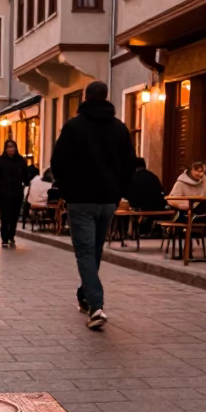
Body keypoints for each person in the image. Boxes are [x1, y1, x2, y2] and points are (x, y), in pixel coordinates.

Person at [51, 80, 136, 330]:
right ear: (107, 97)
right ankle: (85, 295)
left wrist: (67, 190)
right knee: (95, 250)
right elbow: (130, 164)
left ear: (85, 98)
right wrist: (119, 191)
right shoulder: (119, 129)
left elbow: (58, 162)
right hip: (108, 200)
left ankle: (96, 306)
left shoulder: (74, 127)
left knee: (87, 252)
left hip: (81, 200)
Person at [0, 138, 29, 248]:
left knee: (14, 216)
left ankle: (11, 236)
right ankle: (4, 238)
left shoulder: (21, 161)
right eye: (9, 147)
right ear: (5, 149)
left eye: (13, 147)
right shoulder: (0, 161)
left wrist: (26, 182)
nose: (11, 149)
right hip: (4, 193)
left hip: (17, 193)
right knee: (5, 216)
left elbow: (25, 176)